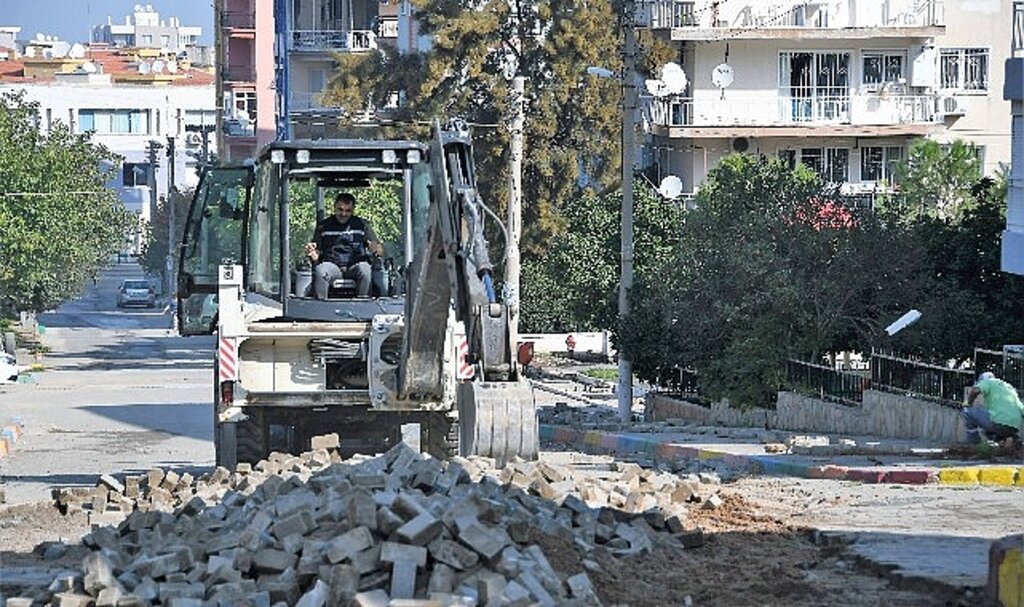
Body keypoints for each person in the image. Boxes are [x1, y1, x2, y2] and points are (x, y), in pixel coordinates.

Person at [306, 193, 383, 298]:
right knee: (321, 270)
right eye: (340, 209)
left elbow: (378, 248)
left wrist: (375, 249)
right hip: (333, 265)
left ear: (353, 210)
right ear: (334, 208)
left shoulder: (361, 225)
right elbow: (317, 250)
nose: (343, 214)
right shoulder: (324, 226)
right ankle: (321, 305)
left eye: (348, 211)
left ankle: (363, 305)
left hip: (354, 266)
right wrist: (314, 255)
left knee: (365, 269)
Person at [962, 371, 1024, 445]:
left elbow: (975, 390)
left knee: (967, 411)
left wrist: (968, 403)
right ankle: (1009, 439)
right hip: (1014, 426)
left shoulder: (987, 381)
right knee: (985, 426)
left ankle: (974, 445)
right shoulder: (1010, 388)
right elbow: (1022, 409)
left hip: (998, 422)